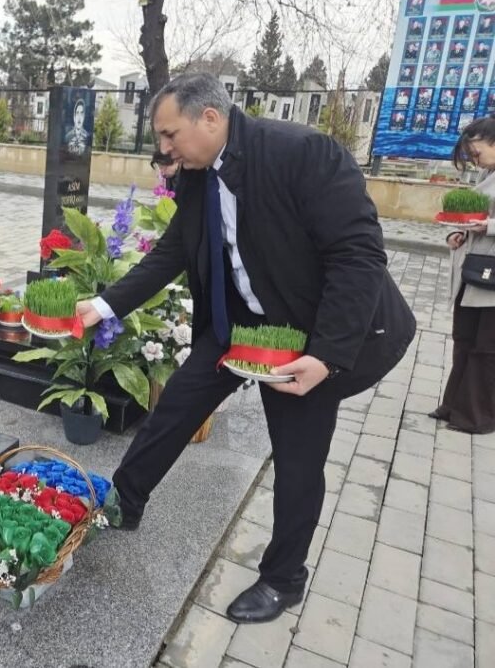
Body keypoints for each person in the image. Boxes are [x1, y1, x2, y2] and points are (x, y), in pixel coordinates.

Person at [76, 73, 415, 625]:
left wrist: (327, 355)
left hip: (304, 339)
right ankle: (124, 503)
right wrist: (105, 305)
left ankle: (284, 578)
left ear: (210, 118)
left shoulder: (304, 154)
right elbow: (174, 249)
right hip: (236, 325)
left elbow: (358, 256)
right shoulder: (196, 173)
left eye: (170, 134)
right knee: (174, 408)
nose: (164, 148)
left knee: (298, 460)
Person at [430, 117, 495, 433]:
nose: (474, 160)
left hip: (490, 279)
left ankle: (478, 417)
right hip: (475, 273)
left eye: (476, 153)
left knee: (487, 348)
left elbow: (487, 220)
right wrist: (458, 233)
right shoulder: (488, 173)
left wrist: (488, 227)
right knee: (465, 340)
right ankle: (454, 406)